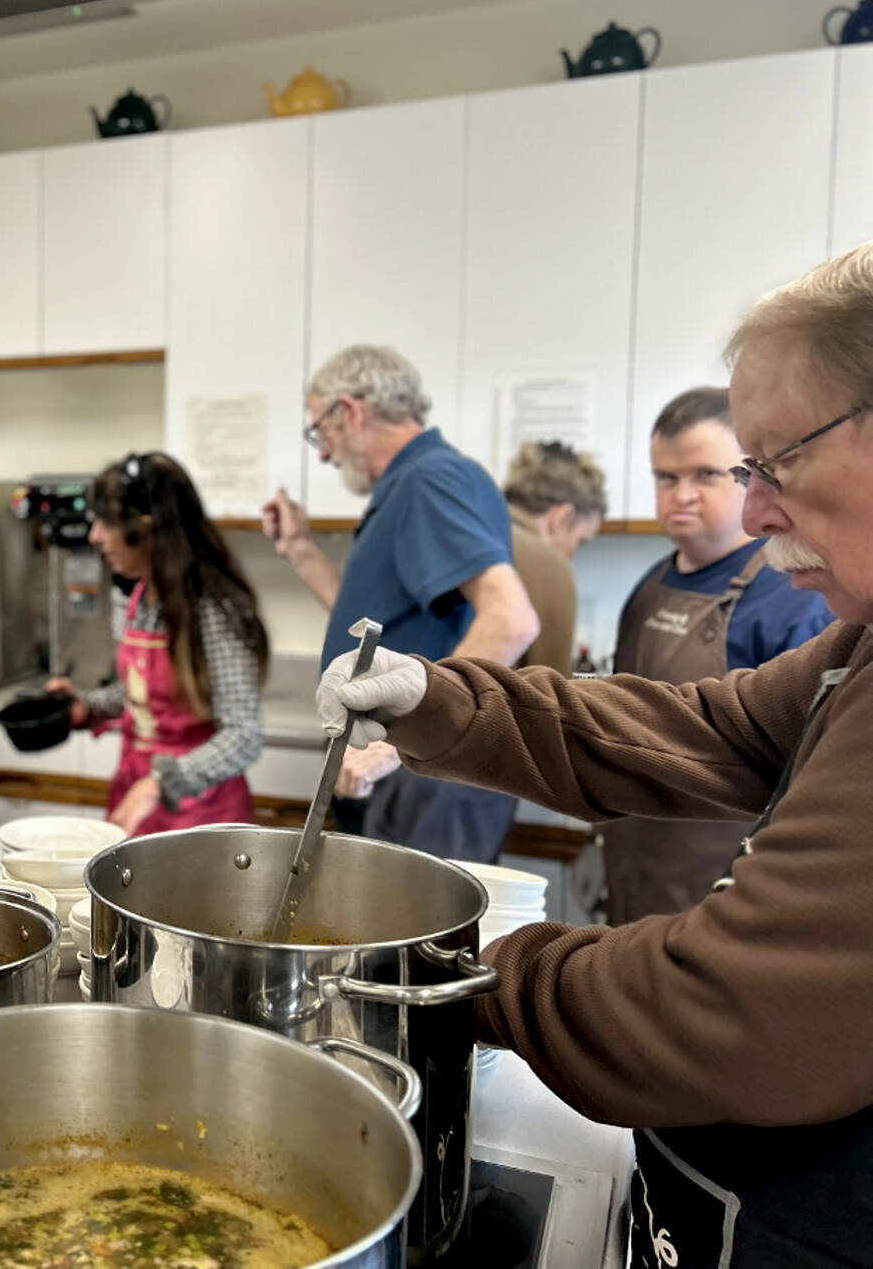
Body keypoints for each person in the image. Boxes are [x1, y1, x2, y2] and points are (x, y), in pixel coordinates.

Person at [313, 242, 873, 1268]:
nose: (755, 511)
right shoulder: (861, 644)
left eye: (777, 462)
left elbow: (724, 1009)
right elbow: (710, 728)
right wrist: (438, 698)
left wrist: (453, 980)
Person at [261, 344, 538, 860]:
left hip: (425, 775)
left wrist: (394, 745)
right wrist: (300, 550)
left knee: (415, 917)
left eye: (321, 431)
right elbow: (375, 623)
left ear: (350, 412)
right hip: (413, 770)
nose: (323, 454)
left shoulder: (430, 480)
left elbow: (511, 619)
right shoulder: (417, 482)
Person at [599, 386, 834, 922]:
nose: (681, 495)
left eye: (706, 475)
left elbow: (809, 782)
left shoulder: (795, 594)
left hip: (730, 898)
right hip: (635, 870)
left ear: (749, 475)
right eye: (666, 477)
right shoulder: (648, 587)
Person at [46, 452, 269, 834]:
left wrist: (161, 783)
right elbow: (143, 693)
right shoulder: (137, 597)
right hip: (138, 795)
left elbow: (243, 736)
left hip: (202, 814)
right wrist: (87, 706)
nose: (94, 536)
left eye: (106, 523)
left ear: (145, 526)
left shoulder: (214, 609)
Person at [500, 440, 608, 675]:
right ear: (562, 519)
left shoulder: (464, 530)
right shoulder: (547, 566)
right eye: (580, 541)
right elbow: (549, 689)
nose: (572, 555)